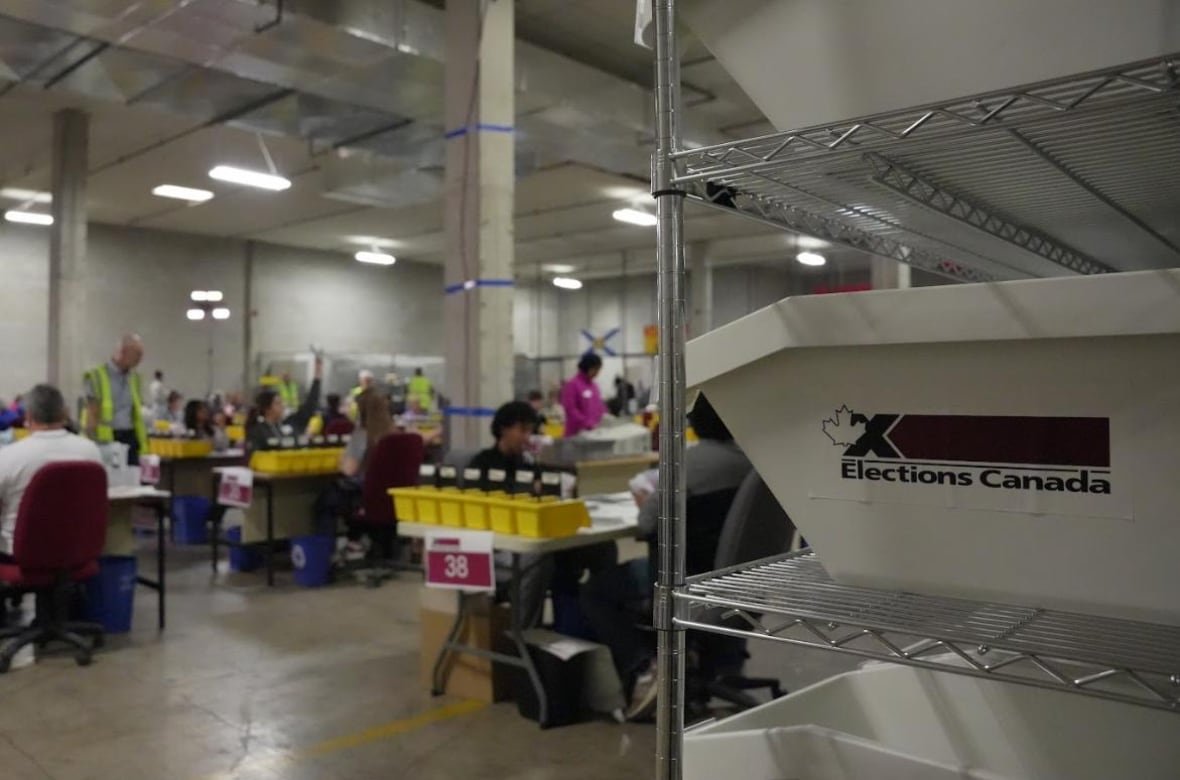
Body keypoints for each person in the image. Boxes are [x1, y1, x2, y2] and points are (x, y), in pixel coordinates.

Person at [580, 393, 751, 721]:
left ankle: (645, 665)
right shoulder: (753, 464)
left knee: (596, 592)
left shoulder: (686, 465)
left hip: (684, 581)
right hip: (741, 582)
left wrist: (647, 499)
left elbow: (647, 525)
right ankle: (716, 665)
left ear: (695, 425)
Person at [469, 401, 617, 629]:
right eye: (522, 430)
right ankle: (524, 635)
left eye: (531, 430)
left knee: (602, 548)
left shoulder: (530, 464)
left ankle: (591, 625)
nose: (528, 437)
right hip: (502, 544)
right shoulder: (482, 464)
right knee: (539, 559)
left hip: (541, 536)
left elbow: (552, 490)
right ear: (503, 429)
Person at [0, 385, 103, 559]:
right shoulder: (91, 452)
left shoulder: (9, 456)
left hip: (20, 555)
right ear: (64, 414)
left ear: (28, 416)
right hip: (77, 553)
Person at [83, 333, 148, 465]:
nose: (140, 359)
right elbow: (92, 413)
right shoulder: (97, 376)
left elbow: (135, 410)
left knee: (132, 479)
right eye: (137, 354)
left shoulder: (135, 378)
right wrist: (90, 444)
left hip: (131, 437)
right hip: (107, 439)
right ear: (123, 352)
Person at [246, 355, 323, 451]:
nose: (282, 406)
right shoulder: (258, 431)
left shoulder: (290, 423)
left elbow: (309, 407)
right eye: (278, 403)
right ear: (267, 409)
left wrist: (317, 378)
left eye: (282, 403)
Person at [560, 353, 605, 436]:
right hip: (576, 434)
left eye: (598, 369)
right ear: (587, 367)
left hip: (593, 432)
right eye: (595, 369)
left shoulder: (594, 386)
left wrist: (604, 415)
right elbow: (571, 410)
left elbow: (599, 405)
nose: (597, 373)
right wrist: (587, 423)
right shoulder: (572, 385)